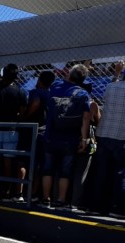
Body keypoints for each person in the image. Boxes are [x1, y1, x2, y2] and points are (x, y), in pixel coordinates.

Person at [40, 64, 92, 209]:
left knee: (48, 168)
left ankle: (45, 199)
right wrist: (84, 139)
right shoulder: (83, 94)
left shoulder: (56, 86)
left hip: (51, 134)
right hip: (70, 138)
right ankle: (61, 200)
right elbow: (86, 118)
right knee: (65, 170)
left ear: (69, 74)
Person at [0, 64, 27, 201]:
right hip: (11, 130)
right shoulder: (19, 92)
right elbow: (23, 113)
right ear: (16, 76)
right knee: (8, 162)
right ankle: (6, 191)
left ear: (2, 74)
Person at [92, 60, 125, 217]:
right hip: (121, 136)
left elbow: (109, 91)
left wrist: (116, 73)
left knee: (102, 171)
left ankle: (97, 205)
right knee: (120, 173)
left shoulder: (112, 87)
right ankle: (116, 208)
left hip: (104, 133)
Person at [19, 70, 56, 203]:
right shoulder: (51, 94)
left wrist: (25, 116)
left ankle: (20, 192)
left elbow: (35, 103)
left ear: (39, 80)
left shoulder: (36, 92)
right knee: (39, 165)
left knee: (24, 160)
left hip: (32, 130)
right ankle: (34, 193)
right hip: (45, 131)